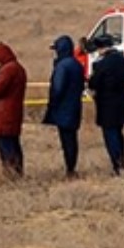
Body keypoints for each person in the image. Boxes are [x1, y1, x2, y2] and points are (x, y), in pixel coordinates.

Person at [87, 36, 124, 175]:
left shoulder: (101, 65)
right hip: (122, 102)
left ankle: (116, 165)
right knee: (119, 133)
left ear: (101, 48)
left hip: (106, 105)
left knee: (110, 134)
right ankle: (122, 162)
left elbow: (93, 83)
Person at [43, 35, 86, 178]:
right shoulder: (77, 65)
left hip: (63, 109)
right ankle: (72, 167)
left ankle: (70, 169)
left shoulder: (62, 66)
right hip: (75, 107)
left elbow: (58, 88)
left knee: (67, 140)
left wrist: (52, 104)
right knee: (72, 139)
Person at [0, 43, 26, 178]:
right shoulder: (18, 68)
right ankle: (18, 171)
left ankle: (11, 173)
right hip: (13, 111)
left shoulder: (8, 70)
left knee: (6, 144)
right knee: (13, 142)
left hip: (4, 113)